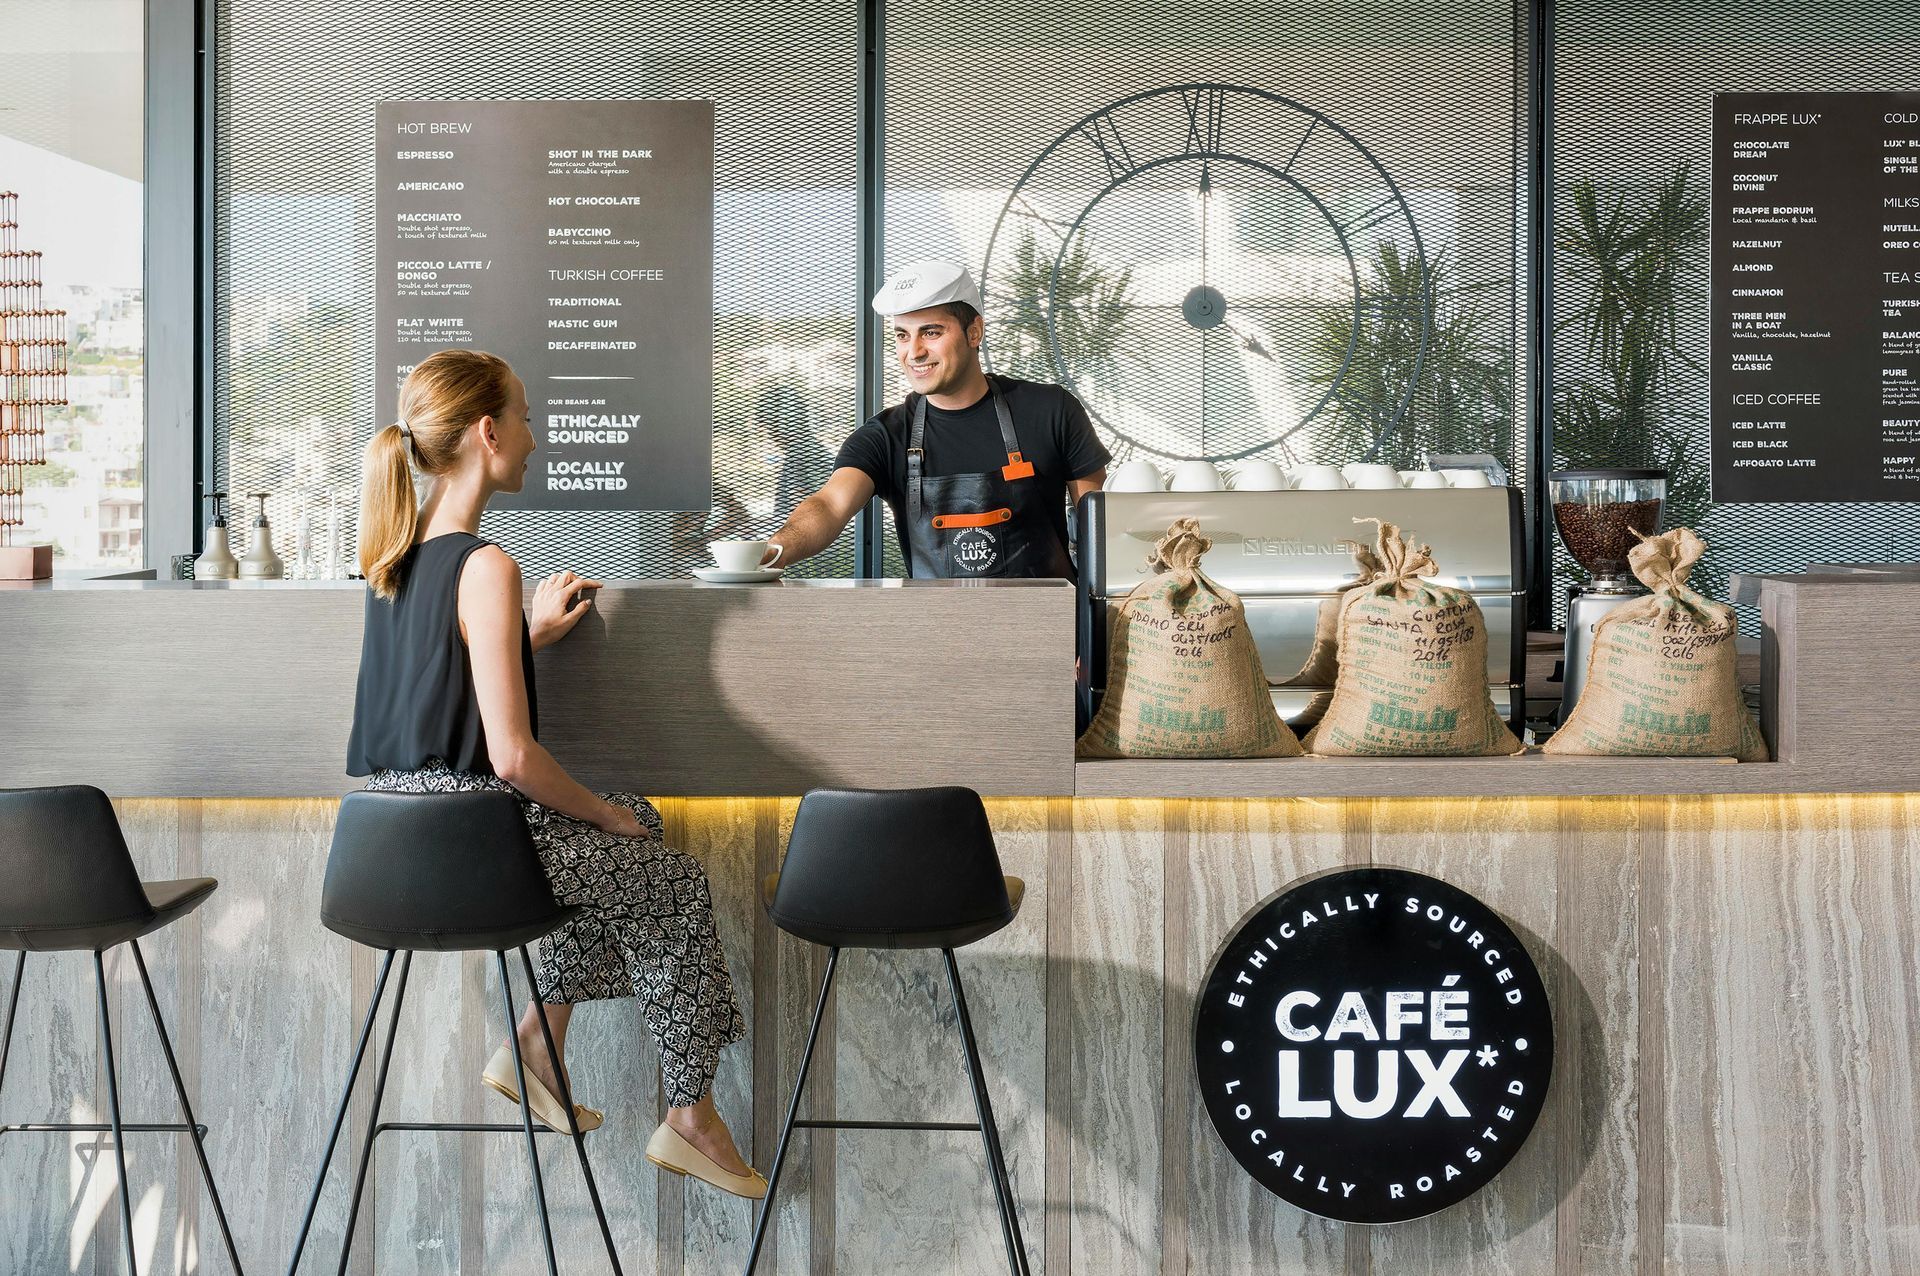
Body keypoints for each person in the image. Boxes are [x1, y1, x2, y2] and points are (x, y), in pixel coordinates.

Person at [344, 349, 765, 1200]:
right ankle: (691, 1113)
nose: (535, 439)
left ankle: (540, 1041)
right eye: (526, 419)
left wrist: (523, 637)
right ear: (488, 432)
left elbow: (438, 686)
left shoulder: (393, 558)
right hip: (471, 840)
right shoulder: (485, 565)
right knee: (670, 877)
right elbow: (510, 757)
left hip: (390, 846)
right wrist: (603, 818)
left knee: (637, 819)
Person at [765, 260, 1109, 578]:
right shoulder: (885, 436)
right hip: (935, 623)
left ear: (974, 332)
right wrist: (772, 552)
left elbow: (1099, 527)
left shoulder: (1052, 411)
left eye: (931, 332)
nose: (914, 352)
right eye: (902, 335)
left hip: (1048, 622)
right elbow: (829, 504)